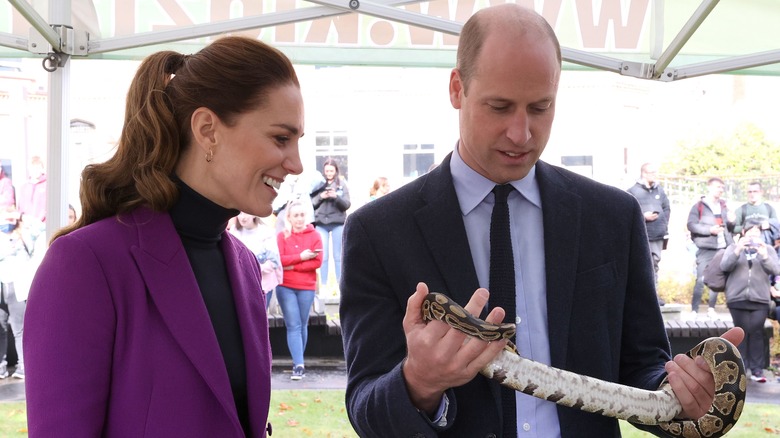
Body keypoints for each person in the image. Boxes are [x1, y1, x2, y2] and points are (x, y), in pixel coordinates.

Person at [339, 5, 743, 438]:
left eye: (539, 107)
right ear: (457, 89)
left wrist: (681, 398)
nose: (521, 132)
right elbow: (367, 410)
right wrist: (419, 382)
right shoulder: (378, 232)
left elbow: (641, 367)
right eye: (499, 107)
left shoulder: (611, 216)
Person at [24, 36, 304, 437]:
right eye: (281, 138)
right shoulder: (85, 263)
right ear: (207, 130)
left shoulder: (243, 264)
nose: (295, 164)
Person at [721, 218, 780, 383]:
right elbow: (724, 266)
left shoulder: (768, 249)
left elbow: (776, 269)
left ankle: (756, 370)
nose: (754, 235)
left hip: (760, 299)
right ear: (743, 233)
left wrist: (764, 256)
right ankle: (740, 368)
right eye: (751, 232)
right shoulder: (733, 248)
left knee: (756, 332)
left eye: (757, 232)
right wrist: (737, 250)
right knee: (741, 332)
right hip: (737, 298)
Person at [276, 200, 322, 380]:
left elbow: (317, 262)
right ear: (289, 217)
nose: (300, 219)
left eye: (302, 215)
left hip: (307, 286)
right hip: (285, 286)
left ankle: (298, 361)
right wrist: (301, 257)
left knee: (302, 324)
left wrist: (293, 265)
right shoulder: (282, 236)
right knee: (294, 325)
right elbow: (280, 260)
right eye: (296, 215)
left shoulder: (315, 235)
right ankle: (299, 366)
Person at [687, 177, 735, 320]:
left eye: (722, 187)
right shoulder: (699, 206)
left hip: (722, 247)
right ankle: (694, 310)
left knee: (716, 279)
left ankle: (711, 309)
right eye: (717, 187)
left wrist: (732, 221)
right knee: (701, 279)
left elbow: (731, 228)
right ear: (709, 188)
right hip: (706, 247)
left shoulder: (724, 206)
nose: (720, 190)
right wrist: (710, 230)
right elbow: (691, 225)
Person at [627, 162, 670, 305]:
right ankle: (645, 297)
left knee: (655, 264)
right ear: (644, 173)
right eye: (652, 172)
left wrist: (664, 223)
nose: (654, 175)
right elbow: (628, 212)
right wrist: (643, 216)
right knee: (644, 265)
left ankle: (654, 296)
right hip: (642, 235)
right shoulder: (633, 191)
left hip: (658, 234)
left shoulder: (660, 190)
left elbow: (666, 208)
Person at [310, 159, 350, 291]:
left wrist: (335, 197)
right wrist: (321, 196)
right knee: (324, 256)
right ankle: (324, 284)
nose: (329, 173)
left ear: (336, 171)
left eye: (331, 171)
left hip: (337, 222)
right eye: (327, 171)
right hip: (321, 223)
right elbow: (311, 203)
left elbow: (346, 204)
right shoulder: (318, 184)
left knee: (338, 255)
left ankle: (340, 284)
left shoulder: (341, 184)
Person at [230, 212, 283, 302]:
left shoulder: (266, 233)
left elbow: (274, 262)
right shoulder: (234, 231)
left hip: (262, 285)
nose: (243, 217)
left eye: (246, 214)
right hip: (241, 285)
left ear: (254, 214)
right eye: (240, 213)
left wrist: (250, 267)